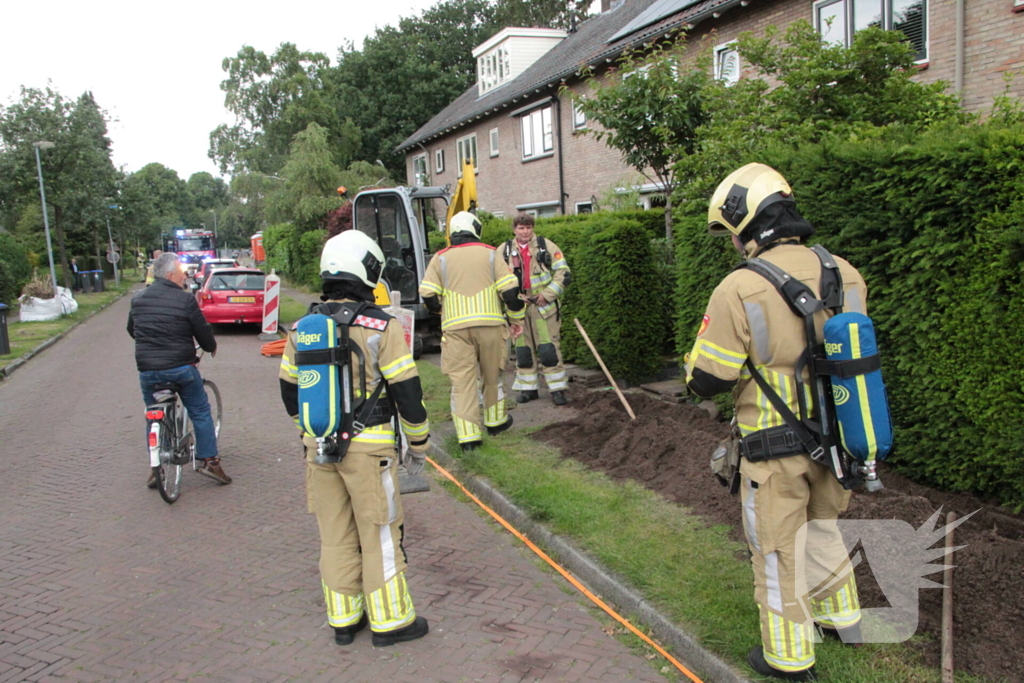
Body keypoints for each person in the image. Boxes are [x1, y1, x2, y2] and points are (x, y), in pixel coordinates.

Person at [685, 163, 866, 681]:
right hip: (838, 440)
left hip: (774, 447)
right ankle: (843, 619)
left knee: (776, 549)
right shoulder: (845, 272)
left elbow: (709, 380)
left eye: (732, 233)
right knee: (824, 526)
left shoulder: (739, 287)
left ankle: (787, 658)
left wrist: (693, 364)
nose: (734, 244)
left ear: (746, 223)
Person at [278, 230, 431, 647]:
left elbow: (290, 392)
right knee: (380, 532)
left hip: (319, 448)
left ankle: (344, 620)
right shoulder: (382, 325)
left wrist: (307, 436)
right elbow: (407, 392)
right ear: (367, 269)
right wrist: (419, 443)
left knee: (335, 533)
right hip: (370, 452)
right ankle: (391, 621)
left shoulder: (302, 328)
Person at [419, 211, 524, 451]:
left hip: (455, 329)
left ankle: (468, 438)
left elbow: (427, 294)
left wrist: (441, 312)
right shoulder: (490, 254)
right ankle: (495, 423)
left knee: (462, 382)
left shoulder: (440, 258)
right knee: (492, 375)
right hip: (490, 326)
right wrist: (516, 320)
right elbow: (510, 294)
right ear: (476, 228)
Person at [127, 252, 230, 487]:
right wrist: (210, 346)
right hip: (180, 368)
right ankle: (210, 462)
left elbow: (132, 329)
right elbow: (201, 330)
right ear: (171, 275)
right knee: (200, 411)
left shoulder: (139, 298)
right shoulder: (184, 300)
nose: (185, 277)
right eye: (182, 273)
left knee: (152, 412)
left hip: (148, 371)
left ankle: (157, 467)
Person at [502, 213, 572, 406]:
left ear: (532, 228)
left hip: (543, 307)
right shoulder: (504, 250)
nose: (525, 231)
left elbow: (563, 273)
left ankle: (557, 390)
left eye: (528, 227)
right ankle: (528, 389)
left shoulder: (546, 246)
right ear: (514, 229)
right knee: (523, 351)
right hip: (519, 309)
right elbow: (495, 279)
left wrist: (547, 294)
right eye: (521, 228)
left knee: (549, 349)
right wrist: (513, 297)